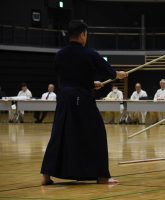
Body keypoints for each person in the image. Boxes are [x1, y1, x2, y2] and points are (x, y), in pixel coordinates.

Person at [40, 20, 127, 185]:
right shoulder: (89, 53)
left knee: (59, 133)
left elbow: (68, 77)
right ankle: (102, 176)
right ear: (82, 35)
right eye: (86, 34)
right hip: (82, 99)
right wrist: (119, 74)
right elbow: (109, 72)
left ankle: (46, 175)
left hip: (64, 98)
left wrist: (90, 83)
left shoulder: (60, 54)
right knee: (97, 134)